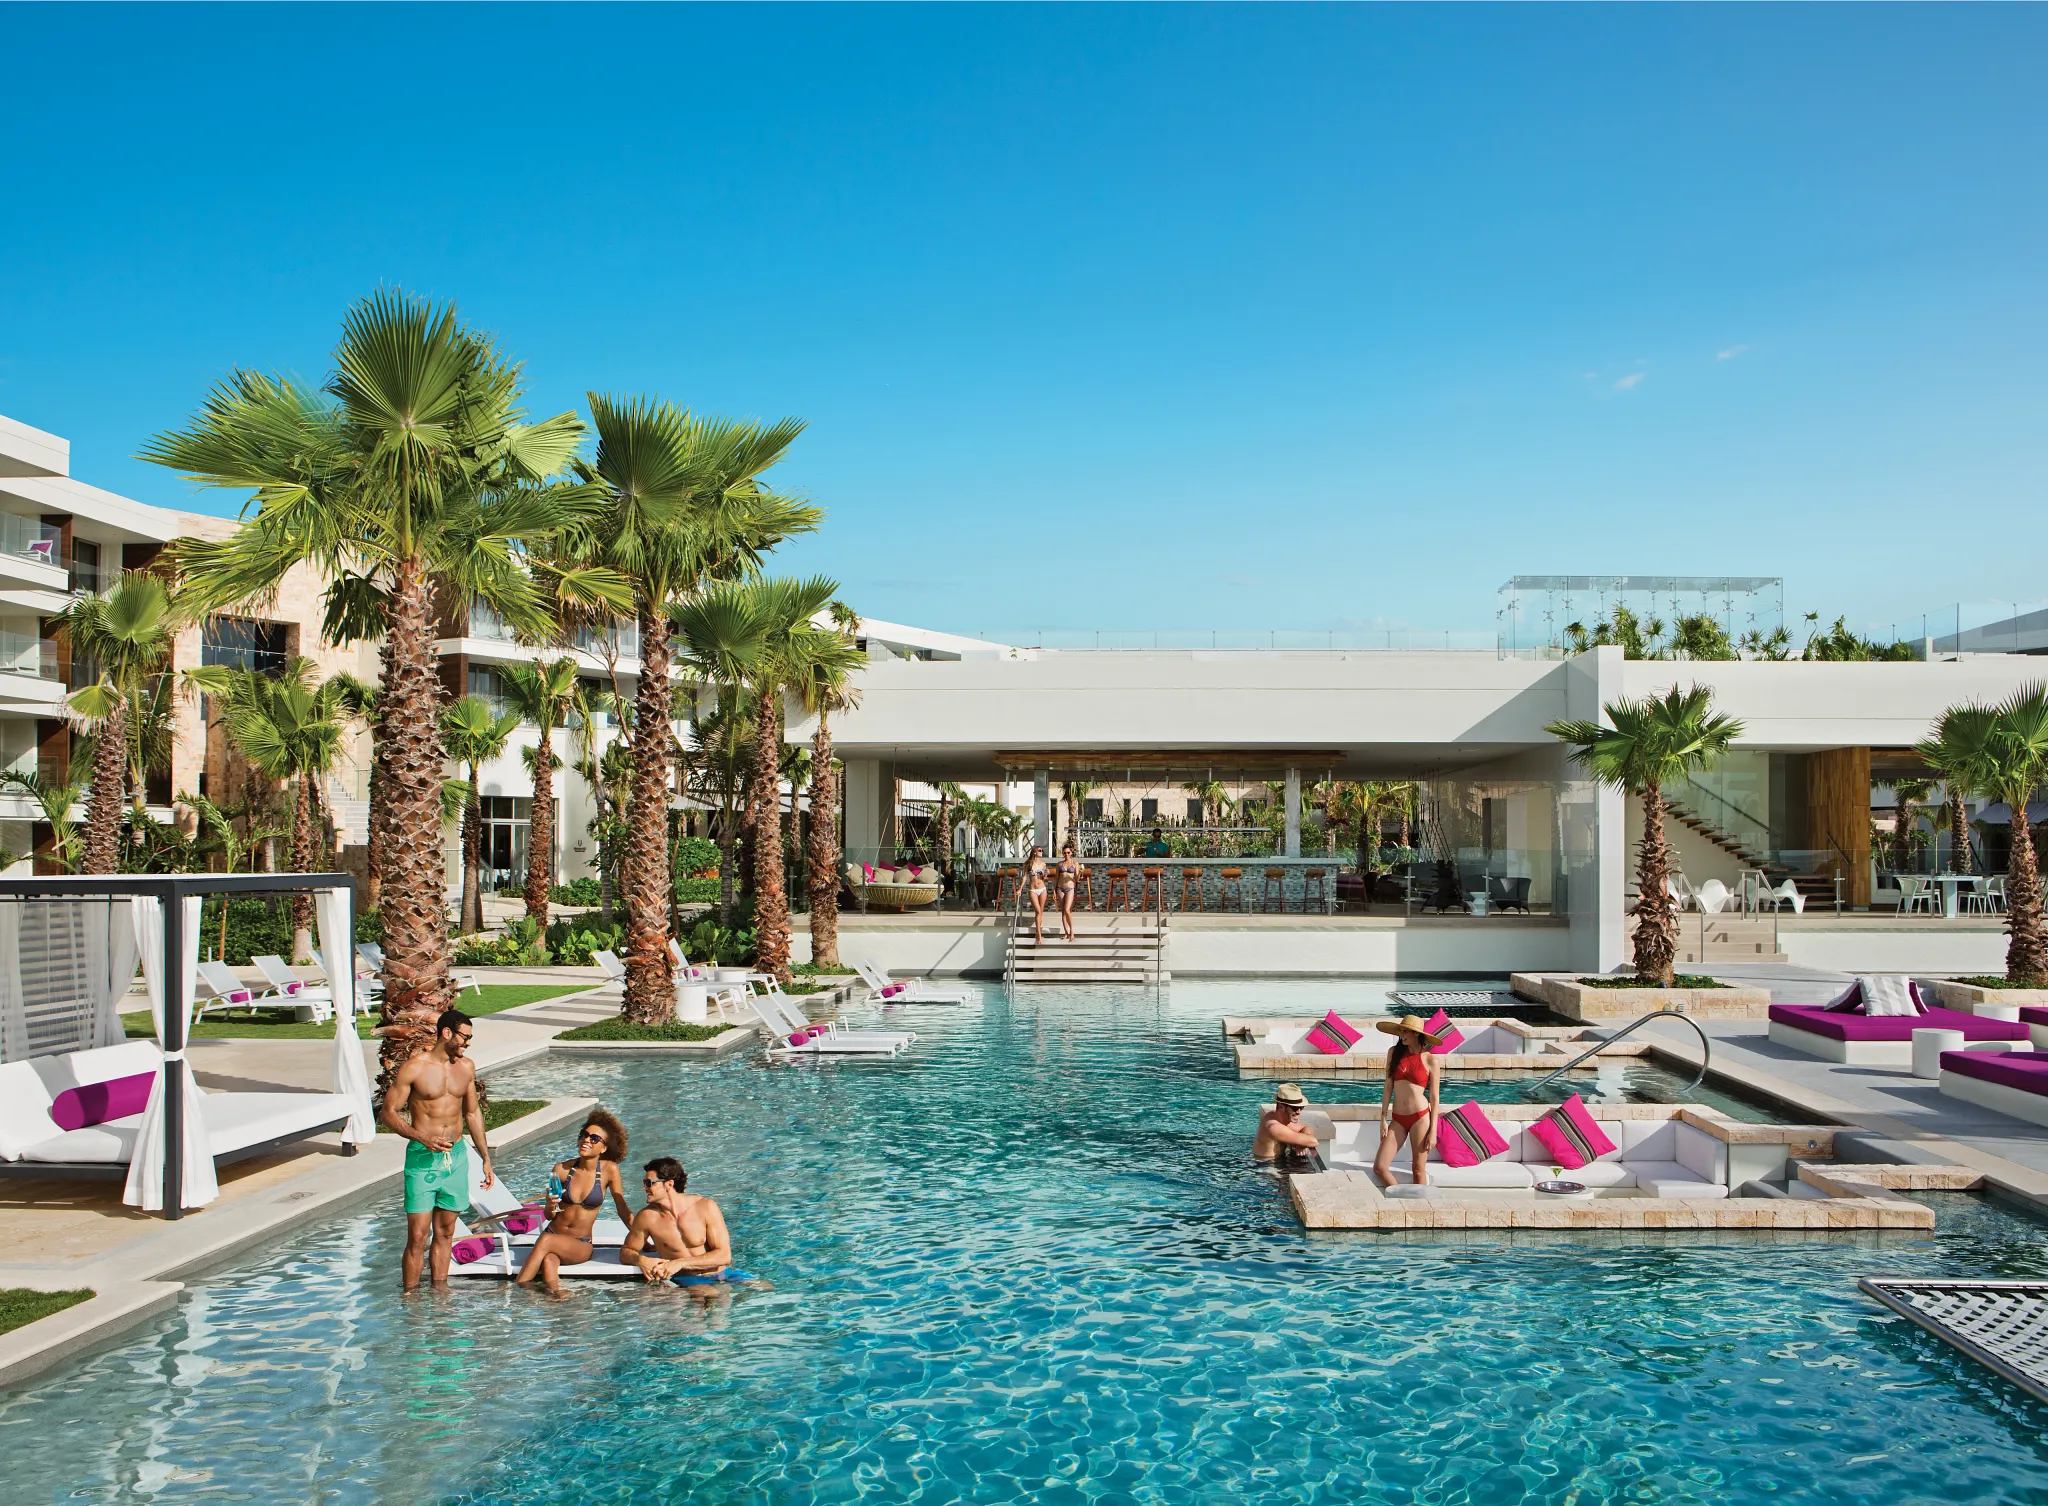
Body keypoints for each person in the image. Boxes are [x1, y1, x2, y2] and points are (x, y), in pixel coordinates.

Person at [380, 1007, 494, 1291]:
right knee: (418, 1236)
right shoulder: (415, 1067)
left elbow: (472, 1114)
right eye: (465, 1037)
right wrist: (421, 1138)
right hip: (423, 1158)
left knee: (446, 1232)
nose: (468, 1043)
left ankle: (440, 1294)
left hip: (455, 1157)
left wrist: (485, 1157)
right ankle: (410, 1297)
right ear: (446, 1033)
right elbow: (388, 1113)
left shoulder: (466, 1067)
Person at [516, 1109, 633, 1293]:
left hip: (580, 1243)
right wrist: (550, 1203)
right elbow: (549, 1215)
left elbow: (622, 1209)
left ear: (604, 1148)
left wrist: (641, 1239)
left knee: (546, 1240)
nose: (587, 1140)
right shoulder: (562, 1169)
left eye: (594, 1138)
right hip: (553, 1233)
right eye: (584, 1135)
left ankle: (517, 1290)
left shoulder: (609, 1170)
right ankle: (557, 1294)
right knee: (549, 1260)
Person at [621, 1156, 754, 1288]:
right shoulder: (647, 1217)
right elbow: (626, 1252)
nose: (644, 1188)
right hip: (687, 1279)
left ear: (669, 1184)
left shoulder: (705, 1207)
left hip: (722, 1272)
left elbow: (724, 1256)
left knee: (764, 1287)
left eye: (649, 1183)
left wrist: (680, 1263)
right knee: (710, 1296)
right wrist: (641, 1260)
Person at [1371, 1015, 1444, 1188]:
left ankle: (1421, 1209)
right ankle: (1402, 1200)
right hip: (1398, 1119)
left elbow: (1434, 1097)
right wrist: (1383, 1118)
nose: (1402, 1034)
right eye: (1401, 1030)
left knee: (1418, 1169)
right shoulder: (1394, 1053)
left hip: (1420, 1118)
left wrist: (1433, 1130)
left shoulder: (1430, 1059)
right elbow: (1388, 1086)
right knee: (1380, 1167)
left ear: (1416, 1034)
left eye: (1406, 1031)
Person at [1252, 1082, 1320, 1164]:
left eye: (1301, 1107)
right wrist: (1303, 1141)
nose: (1299, 1112)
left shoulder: (1276, 1117)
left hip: (1277, 1160)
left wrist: (1301, 1144)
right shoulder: (1274, 1127)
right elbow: (1313, 1141)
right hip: (1265, 1166)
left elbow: (1305, 1128)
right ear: (1281, 1107)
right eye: (1295, 1108)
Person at [1054, 840, 1084, 942]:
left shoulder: (1075, 864)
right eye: (1064, 853)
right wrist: (1054, 891)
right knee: (1063, 912)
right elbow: (1056, 878)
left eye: (1068, 852)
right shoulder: (1059, 864)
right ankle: (1066, 933)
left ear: (1071, 853)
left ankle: (1072, 931)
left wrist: (1080, 873)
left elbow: (1077, 878)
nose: (1066, 854)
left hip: (1070, 888)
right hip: (1060, 888)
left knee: (1067, 910)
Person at [1024, 844, 1050, 945]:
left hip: (1042, 888)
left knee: (1040, 913)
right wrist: (1020, 888)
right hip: (1033, 889)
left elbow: (1044, 879)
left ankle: (1037, 933)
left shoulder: (1043, 864)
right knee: (1038, 912)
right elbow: (1025, 877)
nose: (1041, 852)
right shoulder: (1028, 864)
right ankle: (1039, 935)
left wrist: (1044, 875)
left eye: (1042, 851)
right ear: (1034, 852)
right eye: (1040, 850)